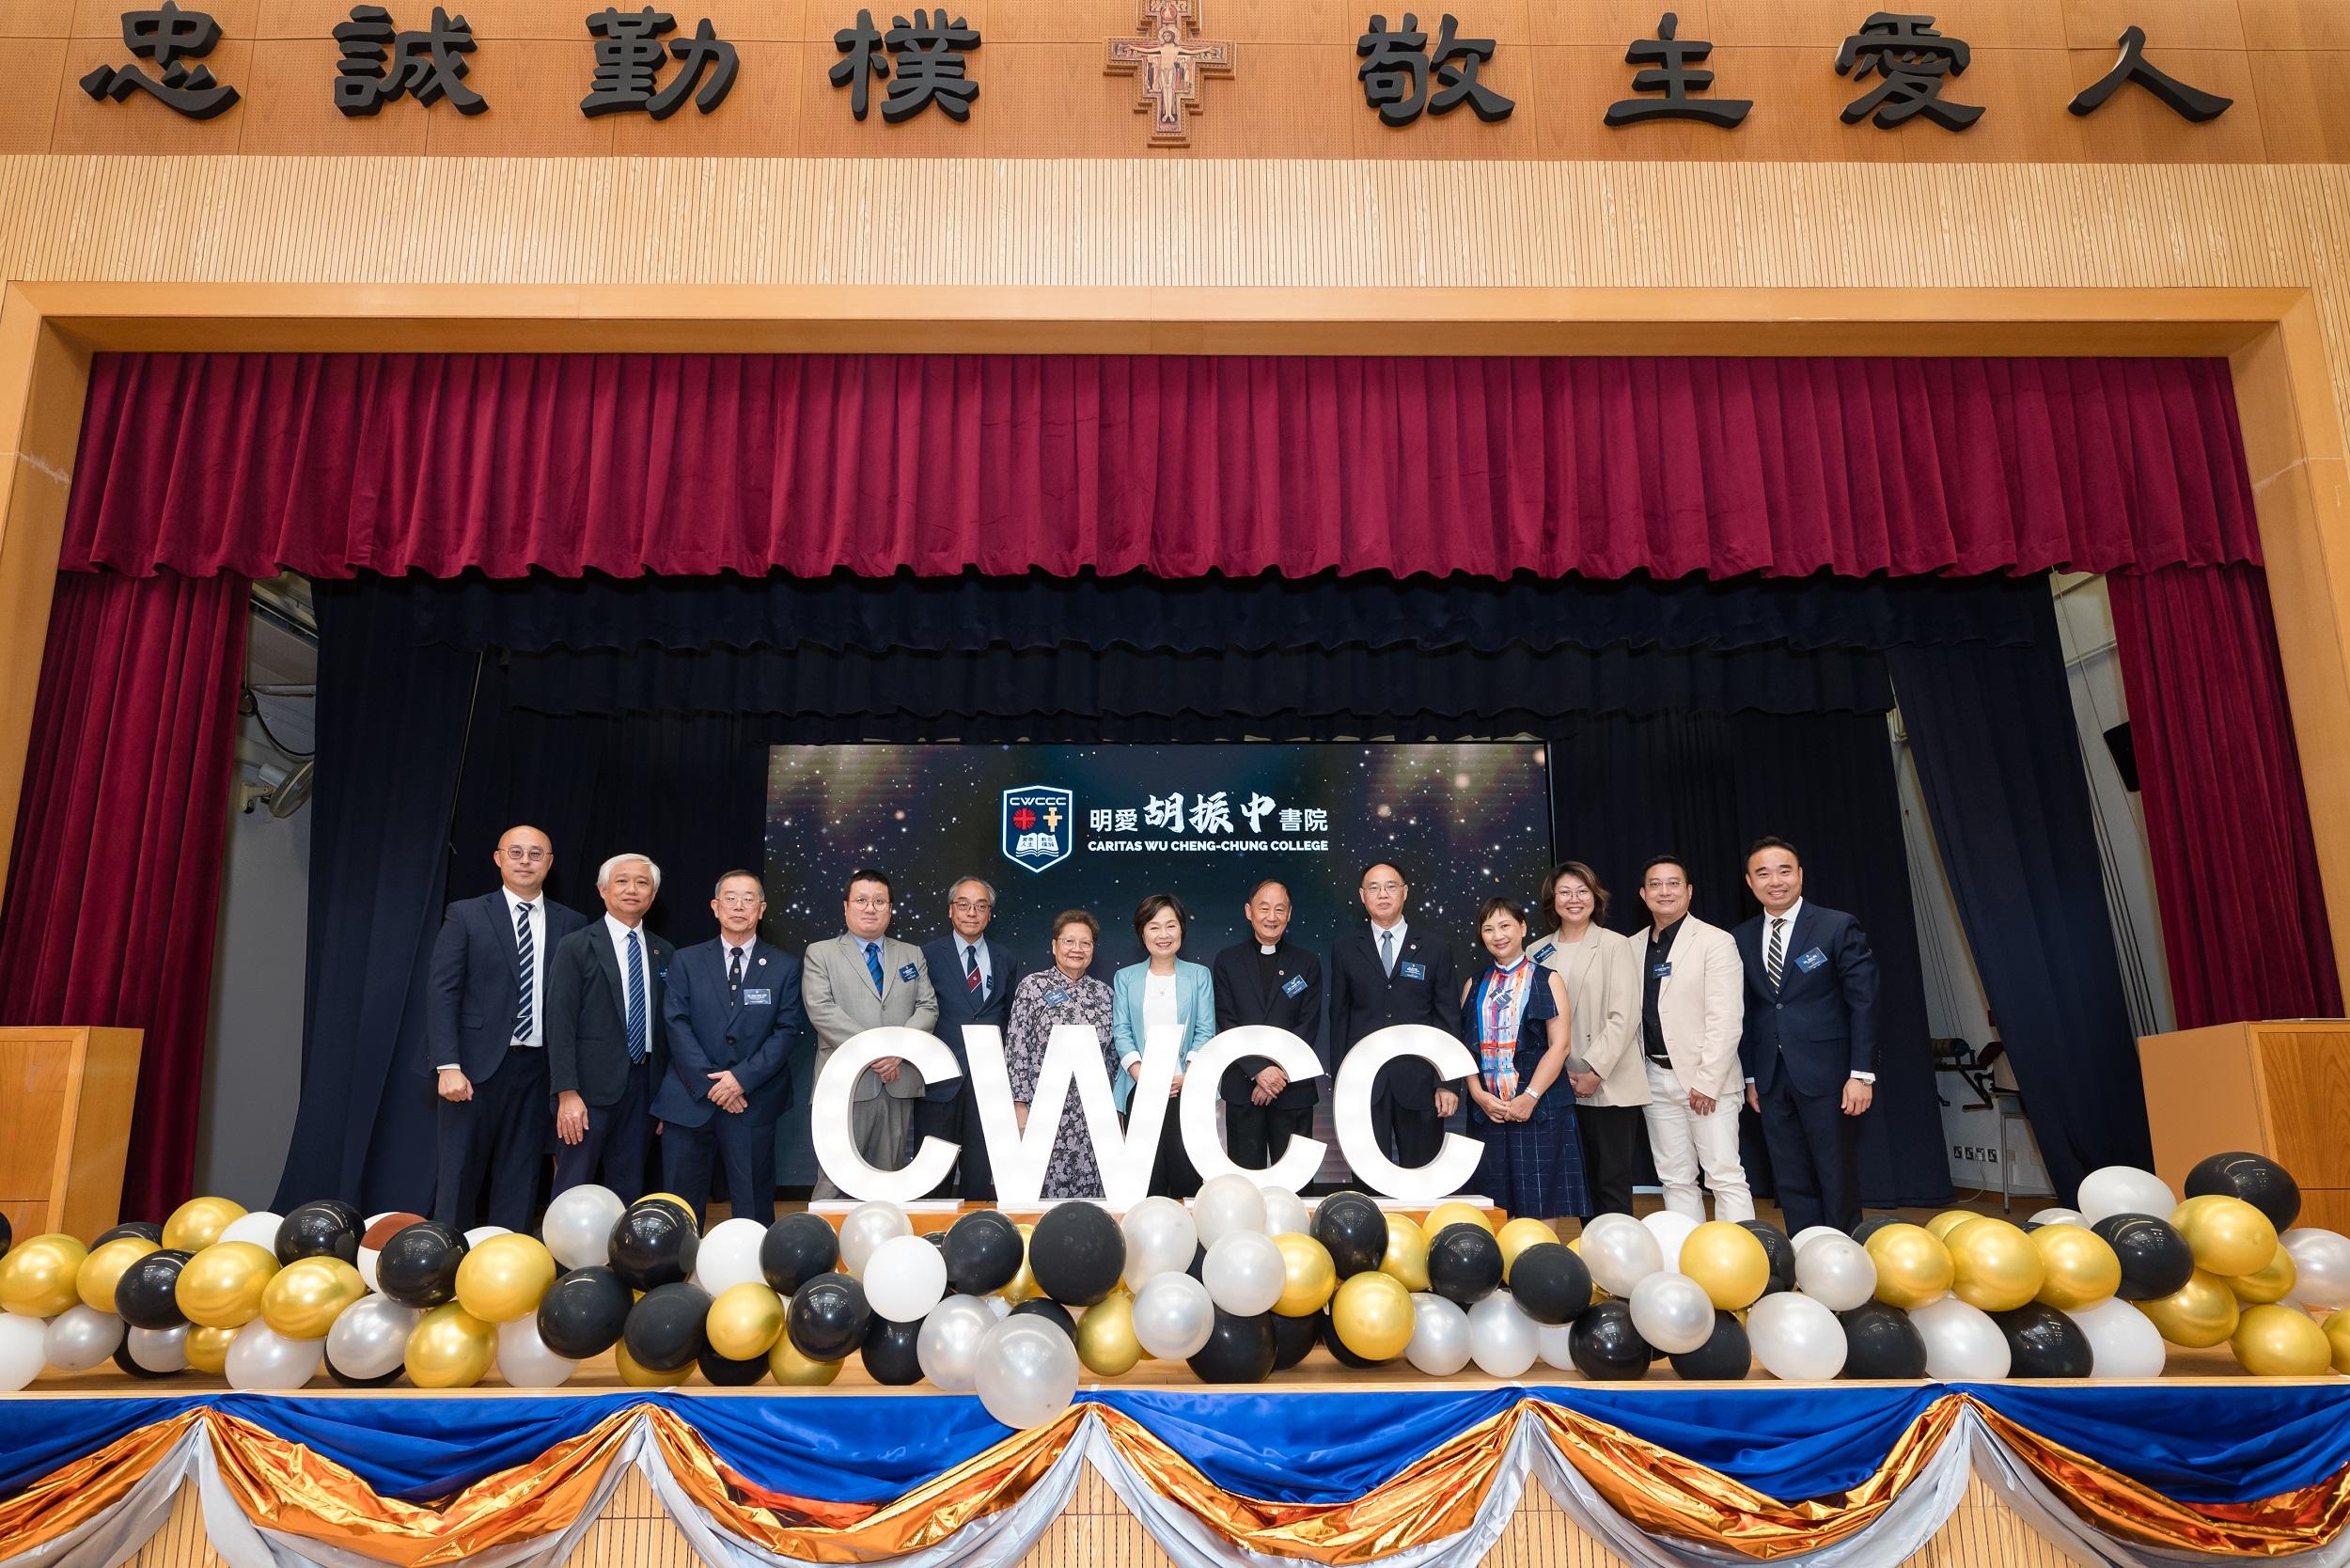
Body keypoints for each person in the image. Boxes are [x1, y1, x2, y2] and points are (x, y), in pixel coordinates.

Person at [426, 824, 590, 1232]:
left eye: (536, 854)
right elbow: (442, 991)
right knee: (459, 1175)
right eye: (515, 852)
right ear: (498, 858)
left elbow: (577, 1006)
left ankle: (506, 1268)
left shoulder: (572, 923)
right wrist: (448, 1065)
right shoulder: (465, 914)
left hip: (539, 1070)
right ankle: (447, 1267)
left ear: (549, 864)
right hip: (473, 1070)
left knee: (520, 1177)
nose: (525, 861)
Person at [1735, 837, 1880, 1234]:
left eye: (1784, 870)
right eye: (1763, 873)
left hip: (1830, 1075)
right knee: (1789, 1176)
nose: (1774, 881)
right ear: (1750, 882)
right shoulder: (1741, 937)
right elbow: (1746, 1013)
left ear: (1800, 875)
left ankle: (1845, 1256)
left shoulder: (1836, 925)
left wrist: (1861, 1073)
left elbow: (1864, 1003)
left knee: (1835, 1172)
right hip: (1770, 1076)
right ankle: (1807, 1250)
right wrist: (1750, 1077)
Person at [653, 870, 804, 1225]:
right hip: (690, 1100)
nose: (739, 906)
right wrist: (712, 1085)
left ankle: (755, 1275)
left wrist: (740, 1080)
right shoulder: (686, 960)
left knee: (753, 1207)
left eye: (749, 899)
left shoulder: (785, 966)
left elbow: (786, 1031)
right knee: (680, 1210)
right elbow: (675, 1024)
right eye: (730, 898)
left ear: (762, 909)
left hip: (752, 1100)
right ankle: (676, 1277)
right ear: (715, 907)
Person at [802, 867, 938, 1200]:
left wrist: (899, 1050)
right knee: (834, 1179)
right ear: (846, 906)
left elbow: (928, 1008)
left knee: (887, 1178)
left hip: (897, 1078)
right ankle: (821, 1247)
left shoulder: (911, 954)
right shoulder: (821, 953)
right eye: (861, 900)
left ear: (890, 908)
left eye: (879, 901)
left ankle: (880, 1249)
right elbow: (822, 1010)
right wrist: (876, 1052)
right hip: (845, 1084)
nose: (870, 907)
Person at [546, 853, 673, 1202]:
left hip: (644, 1090)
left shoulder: (665, 952)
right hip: (586, 1091)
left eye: (642, 882)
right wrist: (566, 1093)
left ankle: (619, 1258)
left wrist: (664, 1098)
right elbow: (559, 1023)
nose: (632, 889)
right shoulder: (576, 946)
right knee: (574, 1184)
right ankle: (564, 1259)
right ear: (603, 890)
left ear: (652, 895)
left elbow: (668, 1031)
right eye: (622, 881)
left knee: (628, 1188)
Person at [1632, 855, 1752, 1221]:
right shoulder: (1632, 946)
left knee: (1724, 1177)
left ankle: (1741, 1265)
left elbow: (1727, 1017)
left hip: (1705, 1080)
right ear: (1643, 893)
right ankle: (1688, 1260)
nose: (1663, 891)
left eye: (1673, 883)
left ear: (1688, 891)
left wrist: (1708, 1080)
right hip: (1654, 1079)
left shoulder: (1716, 942)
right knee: (1674, 1179)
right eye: (1655, 884)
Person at [1528, 860, 1644, 1217]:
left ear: (1595, 897)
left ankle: (1617, 1270)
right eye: (1565, 892)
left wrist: (1593, 1071)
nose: (1574, 899)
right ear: (1552, 900)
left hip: (1607, 1083)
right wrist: (1556, 1074)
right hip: (1557, 1085)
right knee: (1576, 1187)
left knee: (1610, 1184)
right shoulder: (1536, 952)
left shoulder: (1615, 945)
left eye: (1582, 891)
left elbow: (1624, 1016)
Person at [1458, 897, 1583, 1224]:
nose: (1497, 935)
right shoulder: (1474, 985)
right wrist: (1477, 1094)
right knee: (1493, 1203)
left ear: (1523, 928)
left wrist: (1530, 1097)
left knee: (1539, 1202)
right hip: (1489, 1111)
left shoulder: (1547, 978)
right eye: (1488, 929)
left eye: (1505, 925)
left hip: (1540, 1108)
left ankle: (1538, 1272)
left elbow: (1560, 1045)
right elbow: (1464, 1050)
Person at [1328, 861, 1461, 1168]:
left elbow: (1448, 1019)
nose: (1382, 894)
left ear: (1405, 892)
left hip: (1420, 1082)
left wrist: (1448, 1082)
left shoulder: (1435, 948)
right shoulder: (1345, 948)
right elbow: (1340, 1019)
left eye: (1390, 886)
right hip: (1364, 1083)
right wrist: (1342, 1083)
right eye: (1373, 888)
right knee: (1368, 1177)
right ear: (1363, 896)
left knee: (1423, 1175)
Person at [916, 876, 1021, 1200]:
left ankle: (978, 1238)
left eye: (981, 905)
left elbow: (1007, 1015)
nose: (971, 912)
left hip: (988, 1080)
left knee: (981, 1169)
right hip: (940, 1078)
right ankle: (931, 1239)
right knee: (934, 1171)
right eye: (963, 904)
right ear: (951, 910)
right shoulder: (927, 954)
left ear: (989, 913)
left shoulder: (1005, 957)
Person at [1004, 909, 1119, 1198]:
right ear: (1055, 945)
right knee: (1042, 1196)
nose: (1077, 949)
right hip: (1044, 1112)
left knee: (1092, 1199)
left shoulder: (1105, 994)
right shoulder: (1032, 987)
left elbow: (1114, 1057)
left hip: (1092, 1116)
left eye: (1085, 943)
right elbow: (1018, 1046)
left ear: (1093, 949)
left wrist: (1115, 1111)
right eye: (1069, 942)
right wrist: (1020, 1104)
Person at [1211, 879, 1324, 1169]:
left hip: (1293, 1089)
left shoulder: (1307, 962)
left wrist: (1278, 1074)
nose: (1271, 917)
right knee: (1247, 1183)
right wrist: (1258, 1071)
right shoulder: (1227, 961)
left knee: (1297, 1183)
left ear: (1289, 914)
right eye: (1264, 908)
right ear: (1249, 911)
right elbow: (1227, 1022)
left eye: (1279, 909)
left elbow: (1308, 1024)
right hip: (1243, 1088)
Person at [1110, 893, 1216, 1198]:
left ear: (1181, 930)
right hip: (1140, 1089)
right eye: (1154, 927)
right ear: (1142, 932)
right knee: (1147, 1182)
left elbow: (1205, 1029)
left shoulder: (1199, 976)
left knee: (1187, 1178)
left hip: (1187, 1090)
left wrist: (1190, 1075)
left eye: (1171, 926)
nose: (1163, 934)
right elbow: (1122, 1030)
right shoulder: (1126, 977)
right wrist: (1141, 1075)